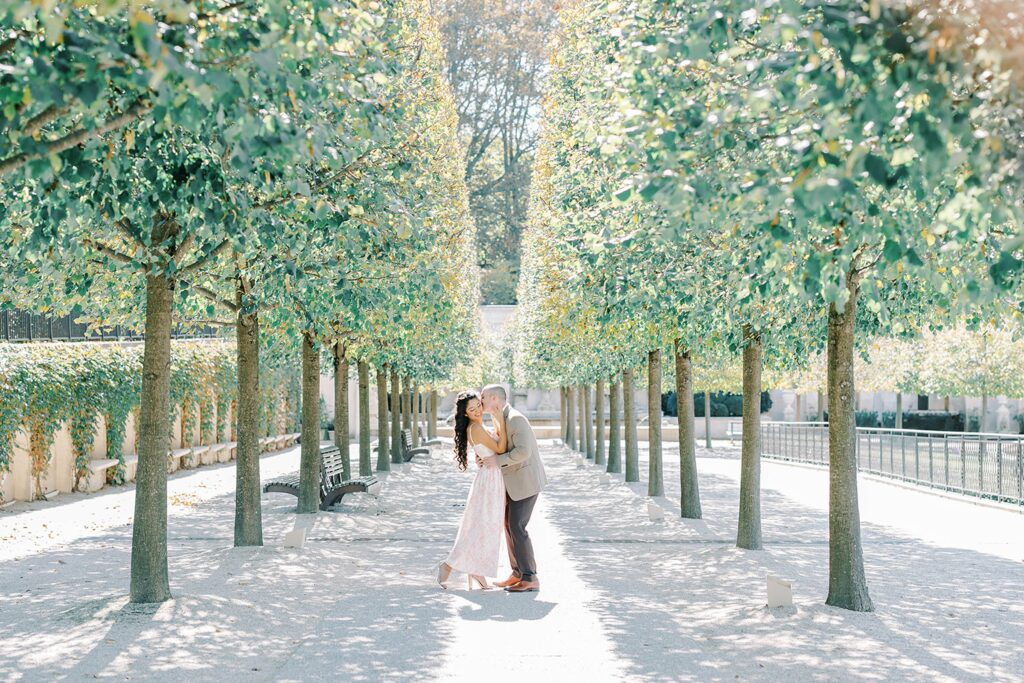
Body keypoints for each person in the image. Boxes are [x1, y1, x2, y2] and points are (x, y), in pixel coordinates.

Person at [436, 390, 508, 589]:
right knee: (480, 527)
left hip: (491, 477)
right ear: (465, 413)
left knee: (486, 528)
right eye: (472, 409)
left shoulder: (478, 426)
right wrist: (500, 419)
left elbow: (491, 448)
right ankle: (449, 564)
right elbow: (501, 448)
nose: (477, 410)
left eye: (478, 405)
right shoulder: (475, 428)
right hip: (490, 481)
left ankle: (477, 571)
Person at [480, 384, 546, 593]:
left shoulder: (515, 419)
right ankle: (517, 573)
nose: (480, 401)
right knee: (509, 525)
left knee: (517, 526)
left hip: (526, 482)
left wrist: (497, 461)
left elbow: (523, 452)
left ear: (493, 398)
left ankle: (530, 577)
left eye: (483, 397)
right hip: (514, 482)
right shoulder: (500, 419)